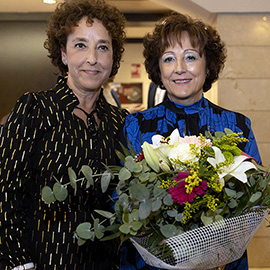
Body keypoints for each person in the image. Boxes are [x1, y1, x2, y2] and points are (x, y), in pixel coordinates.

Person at [122, 12, 260, 270]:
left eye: (190, 57)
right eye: (169, 59)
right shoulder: (136, 126)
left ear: (207, 66)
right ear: (158, 69)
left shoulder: (237, 126)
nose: (180, 68)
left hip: (222, 263)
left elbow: (252, 203)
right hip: (150, 264)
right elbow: (122, 200)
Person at [0, 0, 129, 269]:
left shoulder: (121, 122)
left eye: (103, 47)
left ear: (113, 58)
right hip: (42, 262)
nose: (92, 58)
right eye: (80, 45)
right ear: (63, 54)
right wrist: (18, 262)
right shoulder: (34, 108)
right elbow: (6, 192)